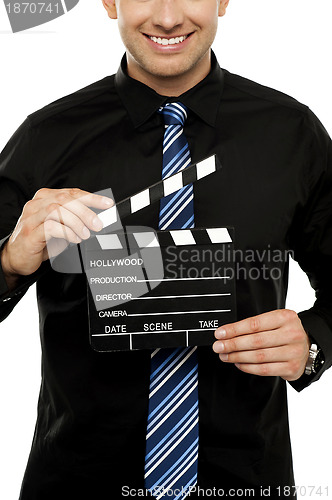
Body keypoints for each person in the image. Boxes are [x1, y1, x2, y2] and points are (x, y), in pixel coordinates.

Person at [0, 0, 331, 498]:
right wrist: (9, 258)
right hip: (77, 480)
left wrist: (315, 341)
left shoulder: (291, 133)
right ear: (110, 2)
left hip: (244, 479)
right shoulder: (47, 137)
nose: (169, 17)